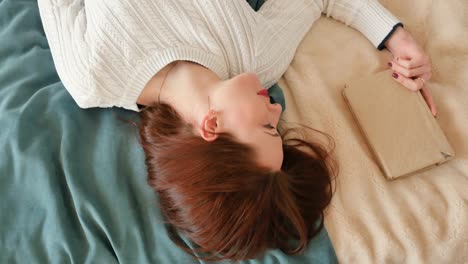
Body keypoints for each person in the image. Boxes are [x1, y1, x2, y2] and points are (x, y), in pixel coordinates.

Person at [38, 0, 434, 261]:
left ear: (212, 125)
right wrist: (398, 38)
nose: (276, 108)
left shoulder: (91, 76)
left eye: (267, 127)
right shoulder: (258, 58)